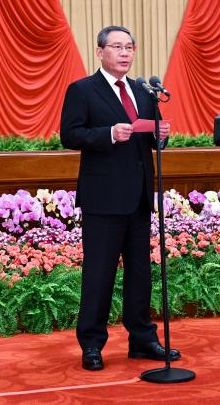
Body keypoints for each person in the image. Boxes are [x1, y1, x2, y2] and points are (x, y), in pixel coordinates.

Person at [60, 25, 182, 371]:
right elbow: (69, 134)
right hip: (103, 198)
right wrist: (109, 134)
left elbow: (151, 142)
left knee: (140, 274)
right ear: (100, 52)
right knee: (99, 274)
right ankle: (92, 344)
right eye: (117, 47)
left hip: (139, 197)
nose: (125, 53)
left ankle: (143, 339)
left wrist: (162, 136)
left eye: (129, 47)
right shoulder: (83, 90)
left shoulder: (144, 92)